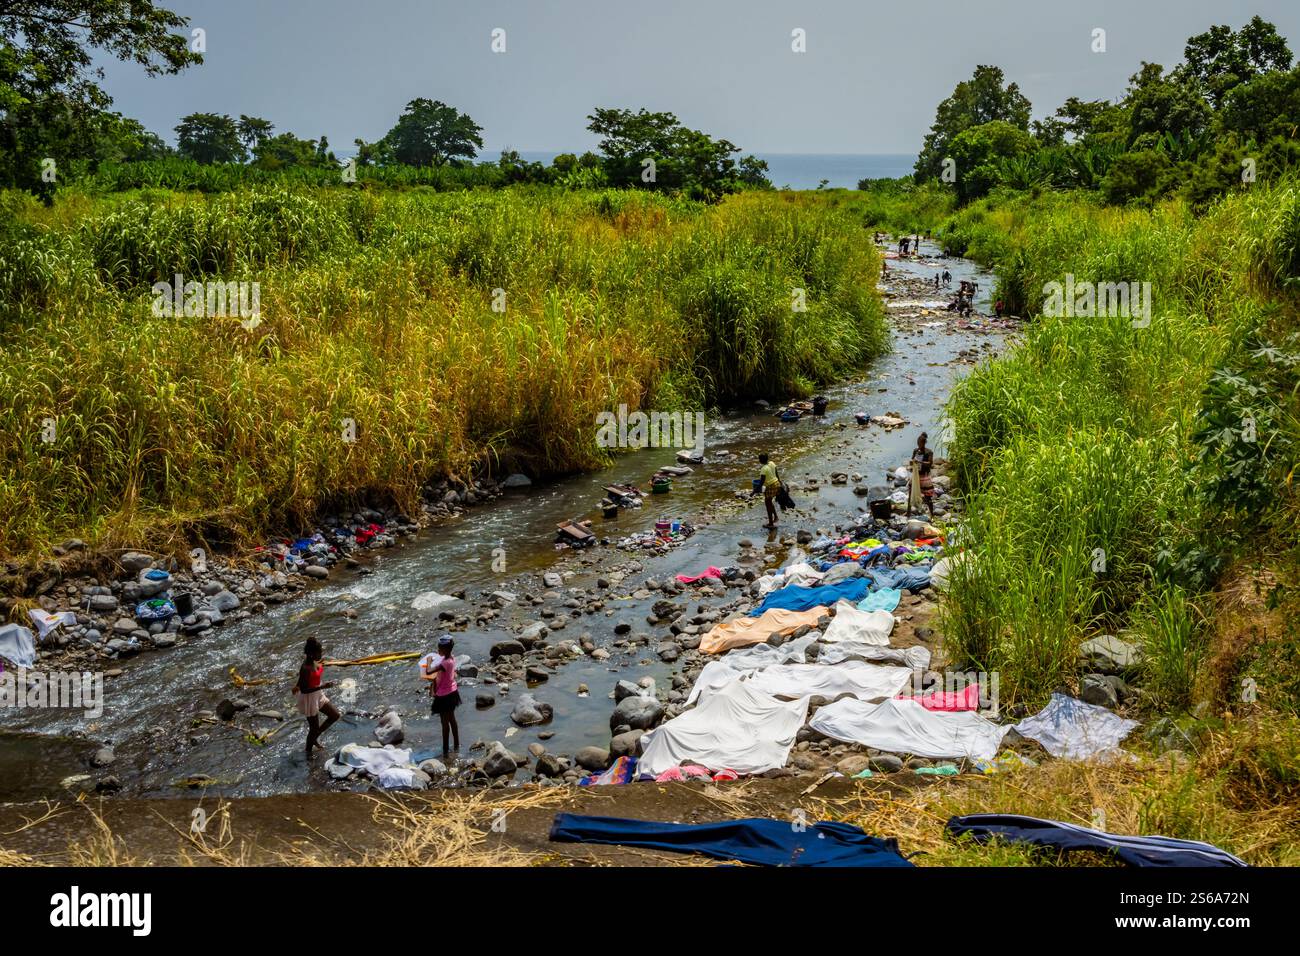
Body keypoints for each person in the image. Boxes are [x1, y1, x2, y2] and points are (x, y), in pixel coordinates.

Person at [294, 637, 339, 757]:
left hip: (317, 694)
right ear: (312, 654)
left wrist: (296, 686)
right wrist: (323, 686)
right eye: (319, 652)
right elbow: (304, 689)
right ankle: (308, 752)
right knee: (313, 728)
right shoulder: (306, 668)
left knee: (335, 715)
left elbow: (301, 682)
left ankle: (314, 738)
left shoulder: (313, 662)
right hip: (309, 698)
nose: (321, 654)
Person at [420, 635, 461, 757]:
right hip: (452, 692)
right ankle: (457, 744)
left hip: (444, 696)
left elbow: (428, 671)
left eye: (440, 649)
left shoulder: (444, 663)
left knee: (444, 723)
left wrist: (428, 660)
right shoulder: (451, 659)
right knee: (452, 719)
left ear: (446, 650)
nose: (438, 651)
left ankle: (445, 750)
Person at [911, 432, 936, 518]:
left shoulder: (929, 452)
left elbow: (930, 463)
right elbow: (912, 459)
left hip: (925, 477)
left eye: (920, 443)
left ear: (924, 443)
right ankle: (908, 512)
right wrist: (911, 463)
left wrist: (920, 462)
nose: (919, 444)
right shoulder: (915, 451)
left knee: (928, 496)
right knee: (911, 492)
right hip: (916, 476)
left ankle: (932, 515)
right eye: (918, 443)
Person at [758, 452, 780, 529]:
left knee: (767, 504)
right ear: (767, 458)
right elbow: (776, 474)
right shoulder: (772, 463)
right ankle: (776, 517)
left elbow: (762, 481)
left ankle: (771, 523)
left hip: (770, 486)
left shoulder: (763, 469)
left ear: (760, 460)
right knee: (769, 501)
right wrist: (780, 482)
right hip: (776, 483)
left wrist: (754, 491)